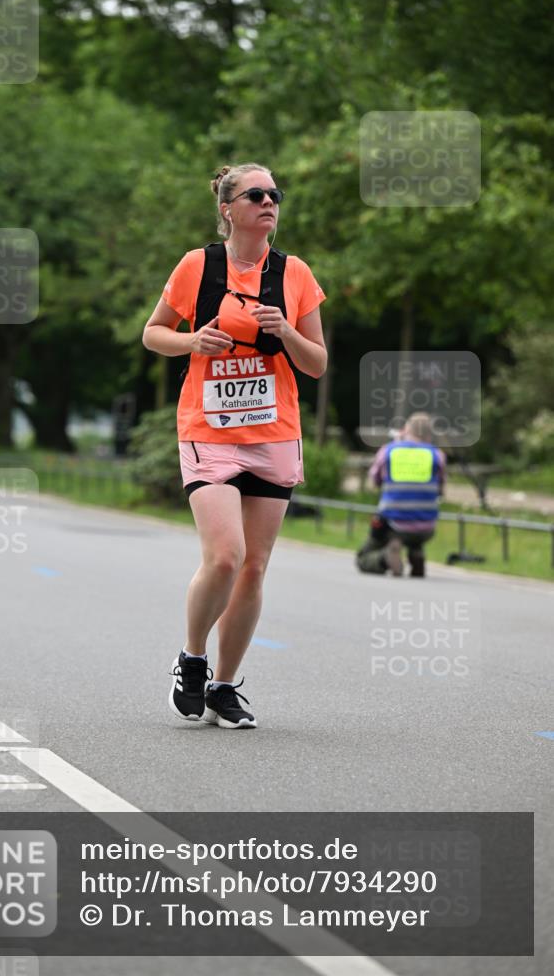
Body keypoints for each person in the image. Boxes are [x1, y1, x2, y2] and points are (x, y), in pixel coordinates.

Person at [143, 162, 327, 728]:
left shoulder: (294, 273)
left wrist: (287, 331)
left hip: (273, 434)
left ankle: (224, 687)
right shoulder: (198, 266)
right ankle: (192, 658)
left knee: (255, 567)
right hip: (209, 428)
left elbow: (316, 364)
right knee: (226, 556)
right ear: (228, 208)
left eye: (275, 194)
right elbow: (153, 333)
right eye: (256, 194)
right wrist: (192, 340)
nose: (269, 201)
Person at [356, 412, 446, 578]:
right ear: (429, 435)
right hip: (427, 527)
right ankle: (416, 553)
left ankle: (385, 557)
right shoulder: (437, 455)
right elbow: (441, 490)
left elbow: (375, 481)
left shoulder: (389, 451)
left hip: (394, 524)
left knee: (363, 558)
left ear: (405, 429)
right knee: (415, 529)